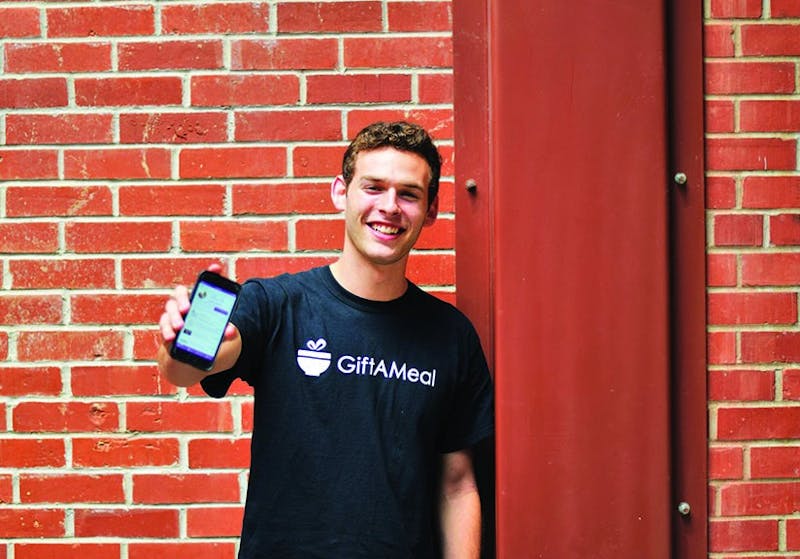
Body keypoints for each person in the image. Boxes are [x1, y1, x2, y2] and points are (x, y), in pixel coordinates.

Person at [158, 121, 494, 559]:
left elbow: (457, 485)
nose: (389, 206)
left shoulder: (451, 335)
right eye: (373, 187)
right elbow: (184, 371)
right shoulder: (277, 305)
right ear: (341, 192)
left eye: (409, 194)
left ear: (429, 211)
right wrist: (184, 341)